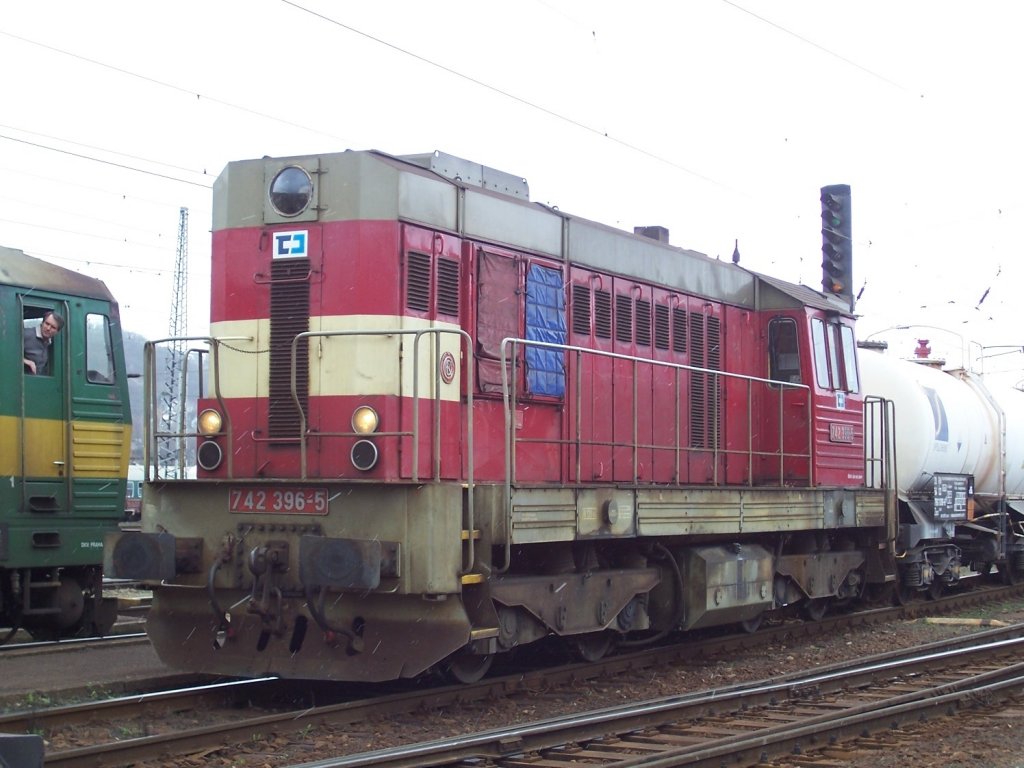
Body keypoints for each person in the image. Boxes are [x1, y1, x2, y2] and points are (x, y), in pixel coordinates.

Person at [23, 311, 64, 375]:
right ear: (42, 323)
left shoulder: (53, 343)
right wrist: (26, 361)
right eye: (47, 324)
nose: (48, 328)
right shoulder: (25, 334)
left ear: (57, 332)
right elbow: (7, 352)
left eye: (53, 327)